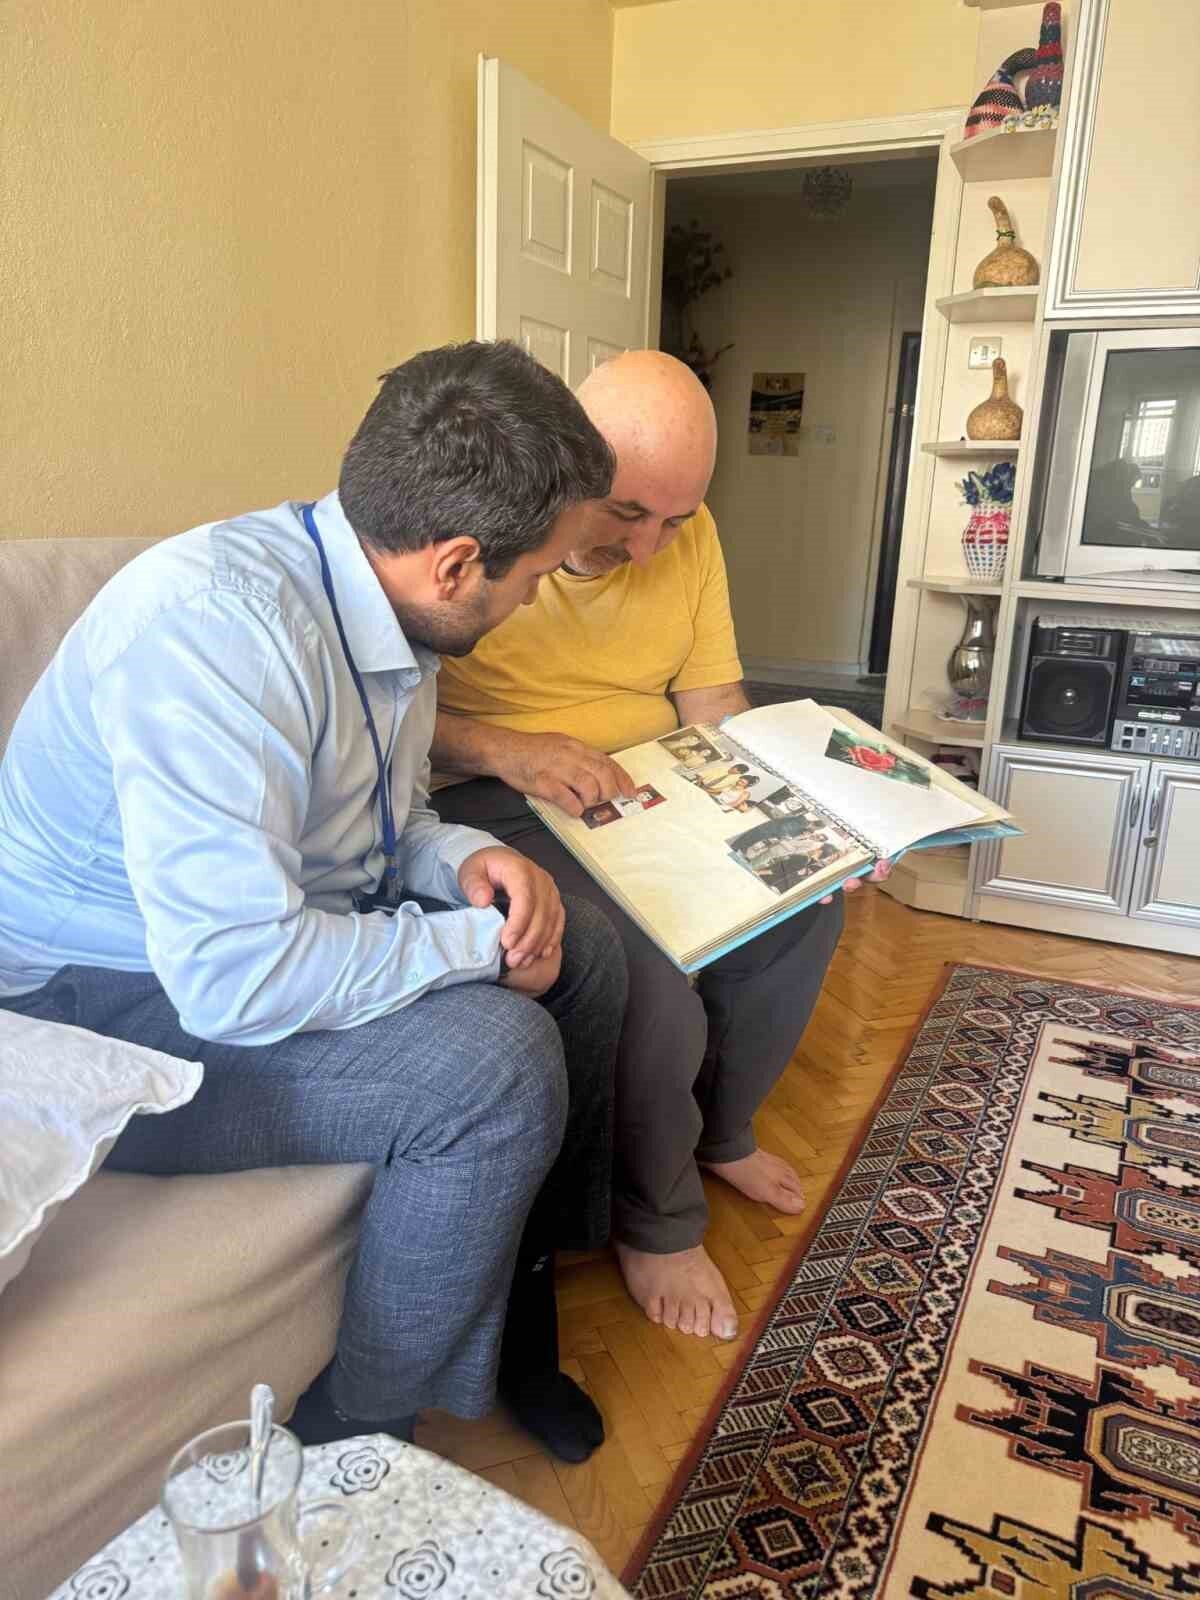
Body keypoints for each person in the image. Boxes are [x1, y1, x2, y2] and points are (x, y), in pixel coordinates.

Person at [0, 341, 629, 1463]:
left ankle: (519, 1315)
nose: (534, 599)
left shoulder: (384, 599)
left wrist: (467, 862)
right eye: (536, 577)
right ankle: (357, 1436)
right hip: (93, 1000)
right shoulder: (214, 637)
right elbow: (235, 978)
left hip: (229, 949)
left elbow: (384, 815)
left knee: (583, 953)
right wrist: (473, 949)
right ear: (457, 563)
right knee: (494, 1067)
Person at [432, 350, 889, 1343]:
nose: (649, 549)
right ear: (563, 470)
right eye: (627, 514)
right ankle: (657, 1220)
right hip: (505, 796)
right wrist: (513, 751)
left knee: (802, 906)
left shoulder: (690, 532)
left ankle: (720, 1132)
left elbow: (715, 702)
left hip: (657, 784)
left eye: (675, 521)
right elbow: (393, 715)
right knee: (649, 979)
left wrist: (806, 819)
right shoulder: (490, 530)